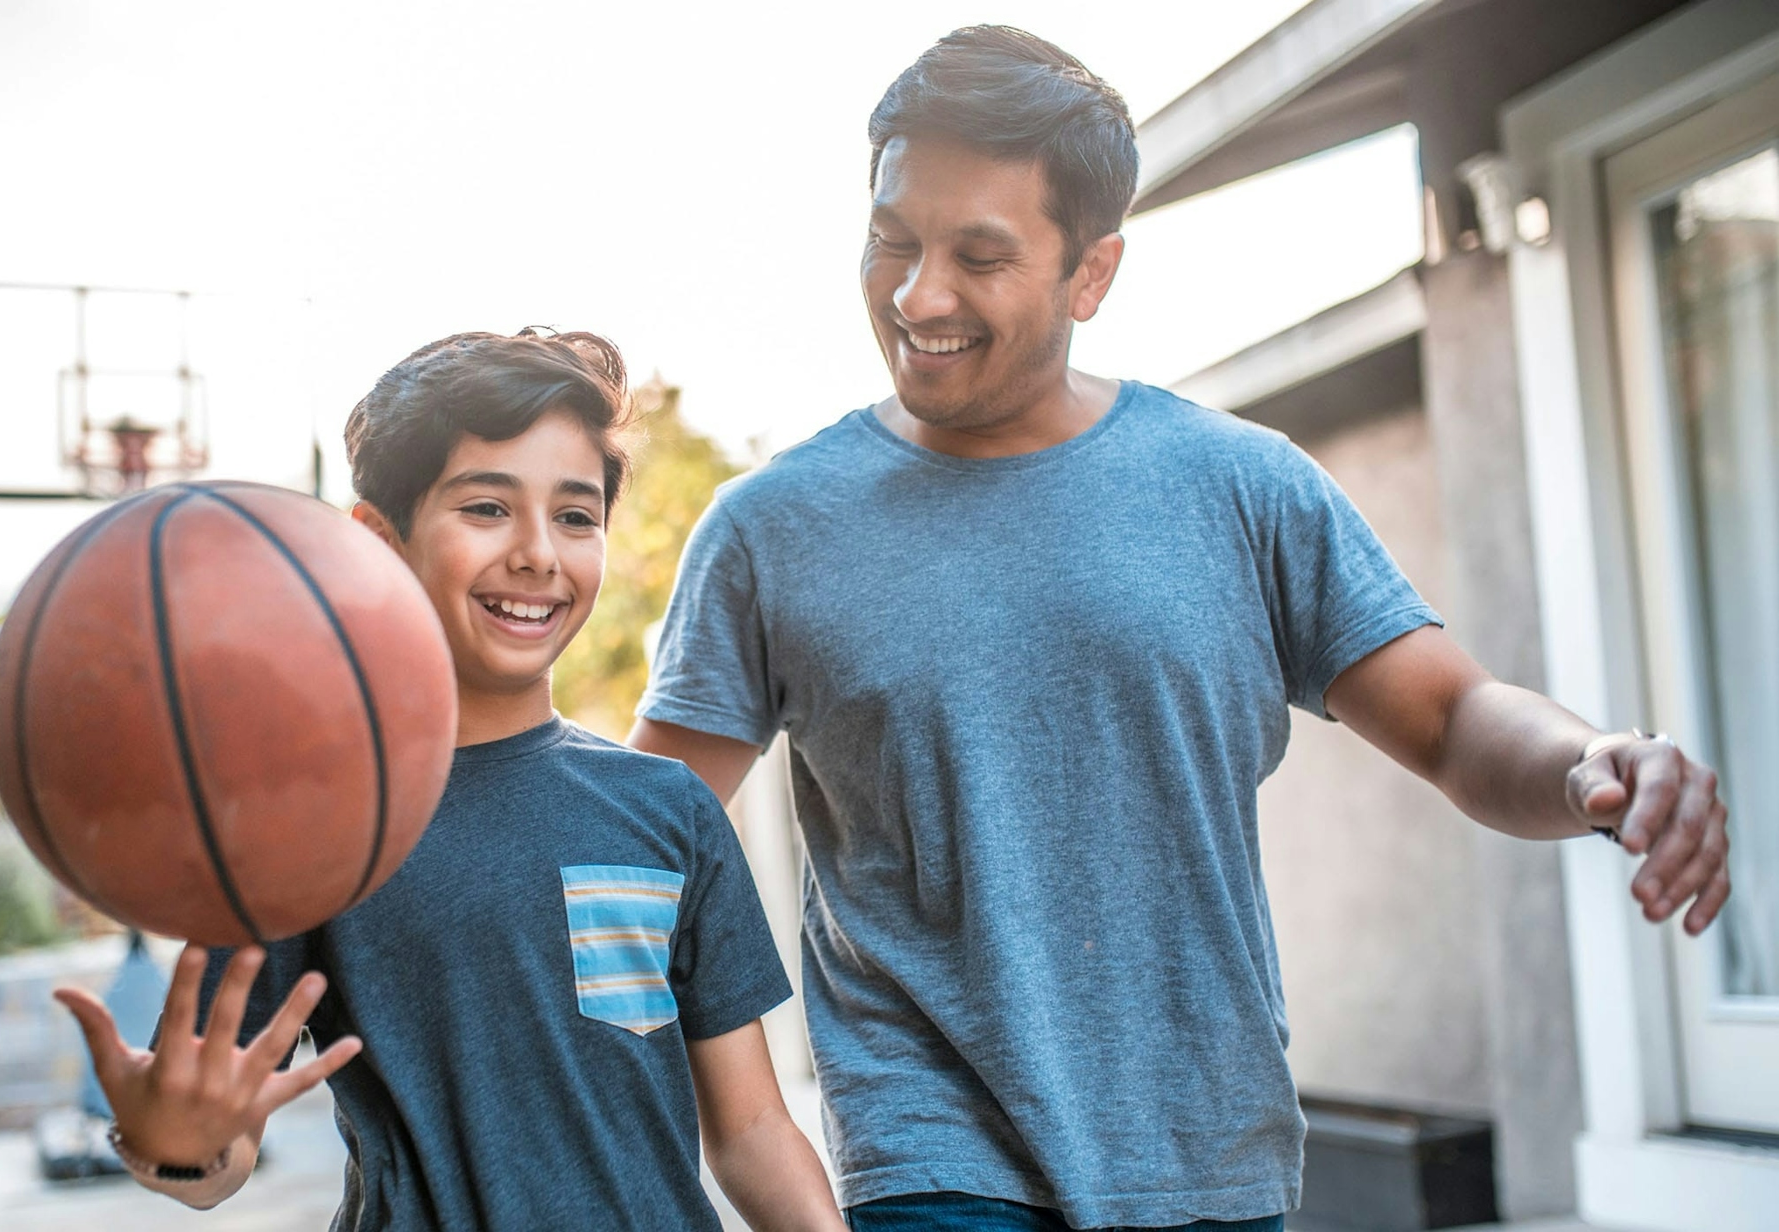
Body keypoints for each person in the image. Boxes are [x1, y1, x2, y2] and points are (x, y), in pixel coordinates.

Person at [629, 26, 1732, 1232]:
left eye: (978, 255)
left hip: (1211, 1162)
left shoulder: (1242, 488)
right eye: (892, 239)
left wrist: (1590, 760)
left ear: (1090, 274)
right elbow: (635, 847)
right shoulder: (769, 530)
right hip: (931, 1164)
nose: (915, 294)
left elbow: (1456, 718)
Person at [58, 329, 846, 1231]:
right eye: (486, 508)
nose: (539, 553)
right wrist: (176, 1142)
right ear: (378, 543)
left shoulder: (667, 810)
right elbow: (213, 1159)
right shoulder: (308, 831)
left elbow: (749, 1131)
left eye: (576, 515)